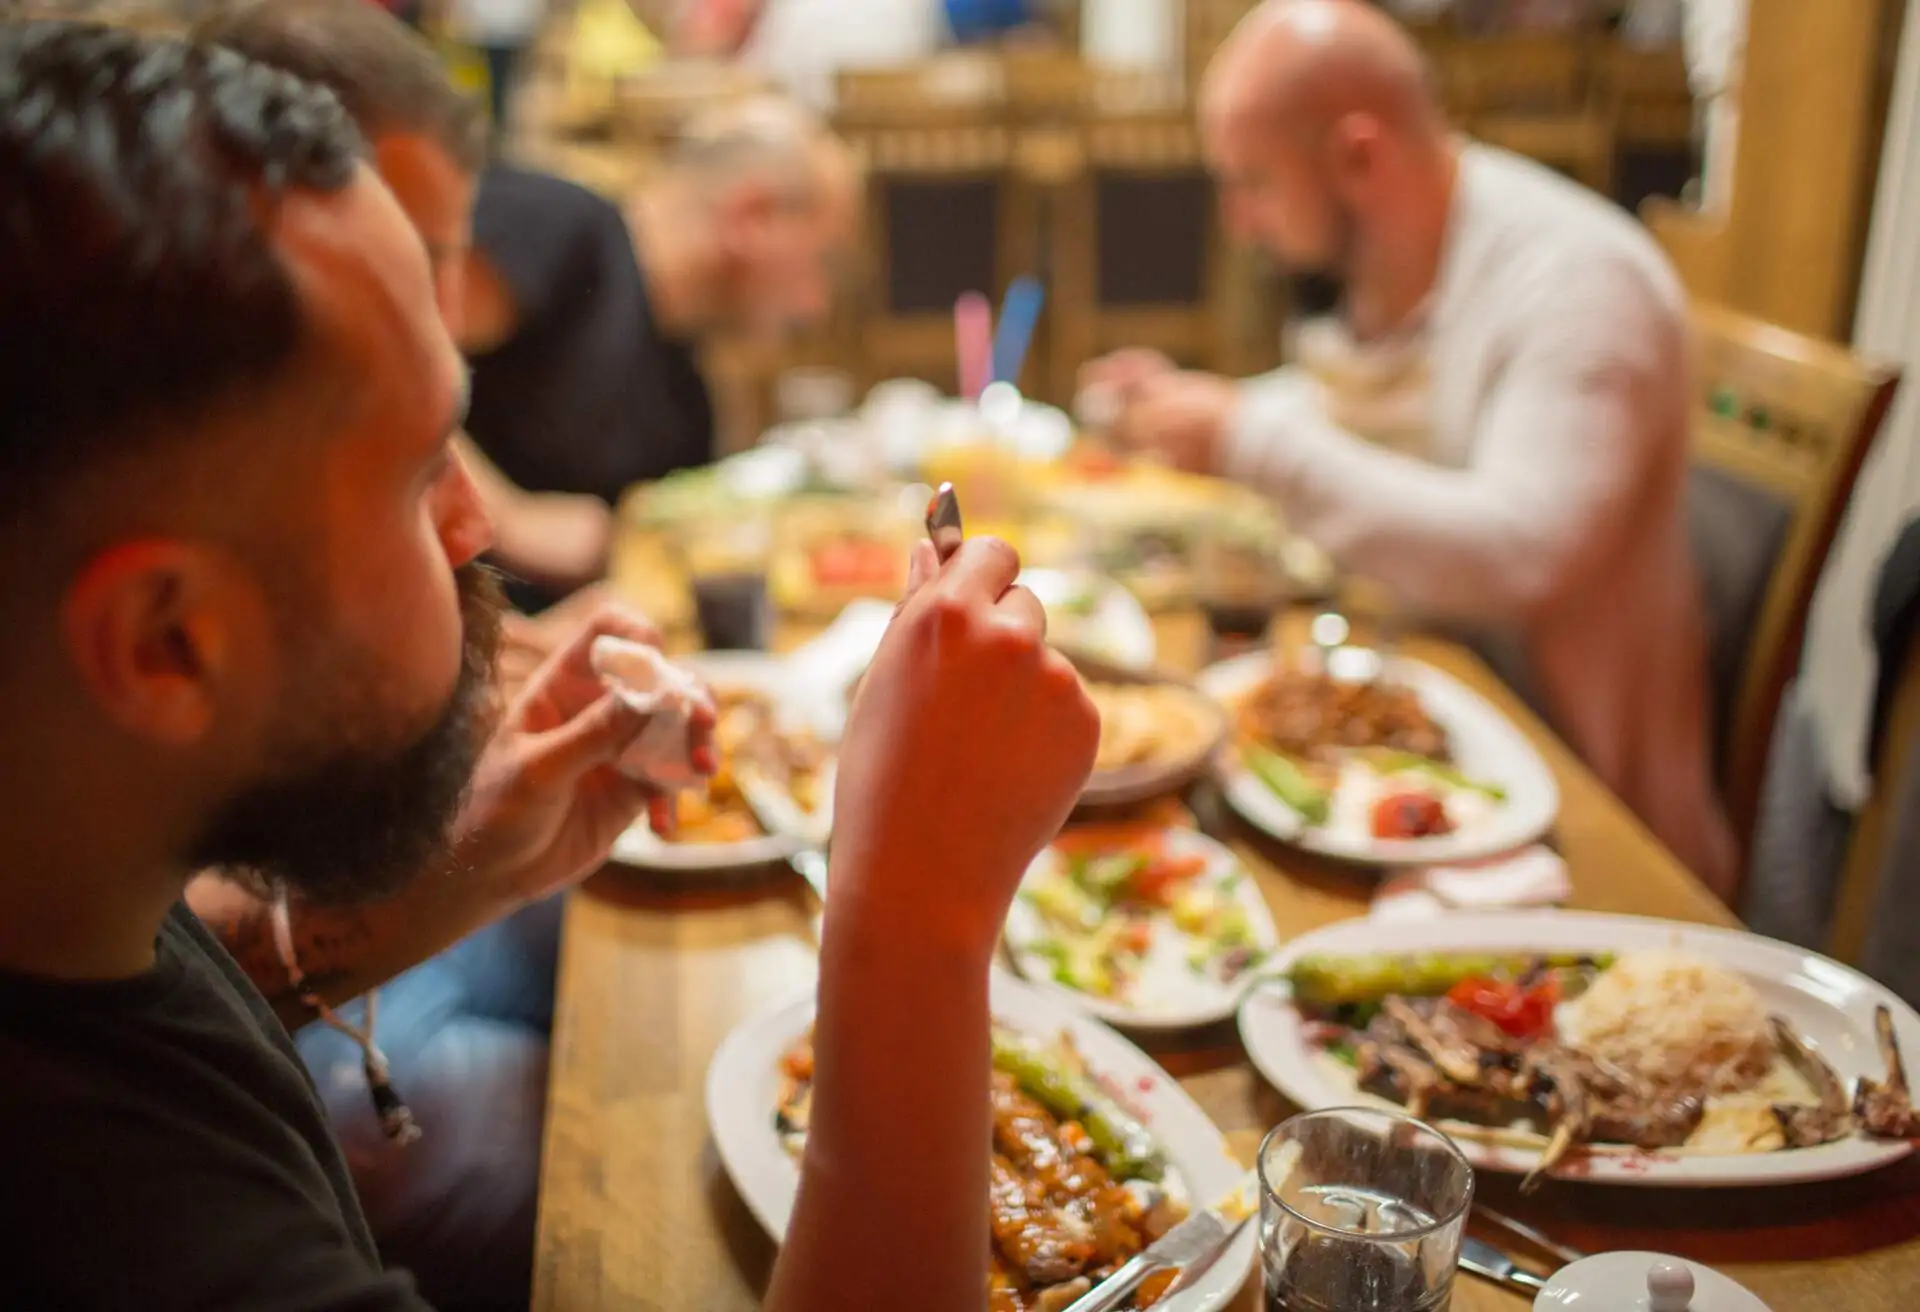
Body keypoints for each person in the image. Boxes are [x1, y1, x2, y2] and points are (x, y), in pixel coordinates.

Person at [0, 19, 1098, 1312]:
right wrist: (914, 918)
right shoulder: (166, 1257)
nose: (479, 530)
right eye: (423, 477)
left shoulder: (71, 887)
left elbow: (182, 970)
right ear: (167, 644)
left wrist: (461, 868)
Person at [1085, 0, 1736, 894]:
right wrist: (1200, 411)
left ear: (1358, 153)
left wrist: (1244, 438)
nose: (1239, 221)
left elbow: (1520, 556)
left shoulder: (1581, 285)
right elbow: (1361, 408)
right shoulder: (1400, 254)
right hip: (1405, 767)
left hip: (1586, 832)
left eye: (1255, 183)